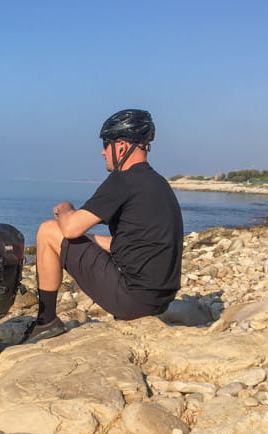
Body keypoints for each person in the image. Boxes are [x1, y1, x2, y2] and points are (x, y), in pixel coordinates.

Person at [22, 109, 183, 343]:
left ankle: (46, 322)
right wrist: (90, 241)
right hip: (159, 299)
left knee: (48, 230)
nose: (102, 152)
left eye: (106, 145)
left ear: (121, 146)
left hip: (133, 301)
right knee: (79, 236)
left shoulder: (123, 180)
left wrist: (64, 208)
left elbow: (70, 229)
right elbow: (134, 243)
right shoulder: (156, 183)